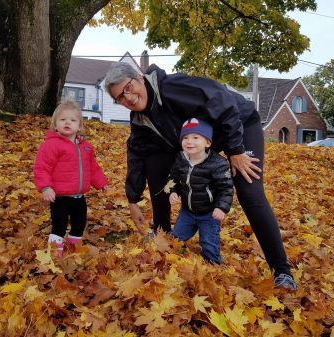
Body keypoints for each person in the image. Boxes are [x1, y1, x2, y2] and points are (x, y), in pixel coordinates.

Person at [104, 62, 297, 290]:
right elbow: (136, 154)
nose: (128, 98)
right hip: (200, 143)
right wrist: (133, 199)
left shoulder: (172, 87)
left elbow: (222, 100)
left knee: (249, 190)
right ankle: (164, 238)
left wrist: (236, 150)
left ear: (139, 76)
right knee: (155, 161)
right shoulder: (140, 119)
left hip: (238, 124)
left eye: (128, 88)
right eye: (120, 98)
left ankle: (282, 270)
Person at [33, 100, 108, 257]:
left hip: (79, 197)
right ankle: (54, 256)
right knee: (59, 226)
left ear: (79, 125)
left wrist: (101, 183)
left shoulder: (85, 146)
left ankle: (73, 251)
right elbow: (42, 167)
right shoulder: (52, 145)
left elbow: (93, 167)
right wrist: (45, 187)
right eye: (62, 120)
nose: (67, 123)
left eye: (72, 120)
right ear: (55, 124)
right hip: (60, 196)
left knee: (79, 224)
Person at [169, 118, 233, 264]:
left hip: (209, 214)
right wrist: (173, 191)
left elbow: (226, 188)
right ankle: (177, 259)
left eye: (195, 137)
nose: (189, 141)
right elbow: (173, 177)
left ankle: (213, 266)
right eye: (185, 137)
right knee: (176, 239)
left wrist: (221, 207)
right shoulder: (181, 159)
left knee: (209, 245)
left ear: (207, 142)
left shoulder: (218, 164)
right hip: (187, 211)